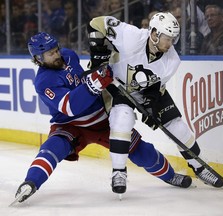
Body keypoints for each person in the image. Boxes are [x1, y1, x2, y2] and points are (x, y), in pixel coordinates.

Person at [13, 32, 193, 204]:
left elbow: (89, 73)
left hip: (103, 120)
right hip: (70, 125)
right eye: (50, 53)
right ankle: (30, 183)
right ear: (38, 59)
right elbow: (70, 107)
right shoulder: (43, 82)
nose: (57, 54)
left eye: (56, 49)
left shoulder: (68, 55)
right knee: (53, 148)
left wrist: (101, 71)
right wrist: (94, 83)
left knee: (141, 150)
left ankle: (170, 176)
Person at [86, 12, 223, 195]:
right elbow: (96, 23)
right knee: (122, 119)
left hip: (146, 89)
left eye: (173, 39)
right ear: (154, 33)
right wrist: (98, 55)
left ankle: (200, 167)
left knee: (177, 127)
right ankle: (118, 172)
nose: (170, 44)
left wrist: (151, 104)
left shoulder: (172, 60)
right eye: (167, 39)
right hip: (116, 84)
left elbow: (156, 87)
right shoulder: (131, 36)